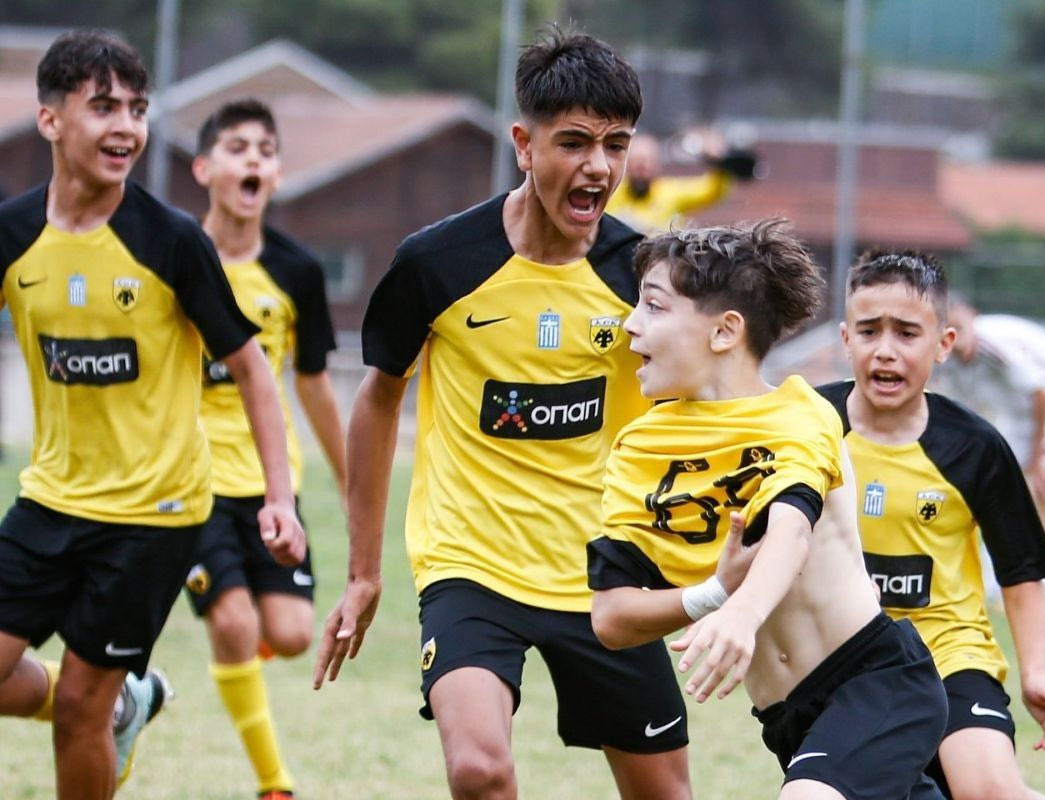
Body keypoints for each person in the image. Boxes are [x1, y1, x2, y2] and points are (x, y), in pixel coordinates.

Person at [313, 27, 693, 799]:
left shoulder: (645, 276)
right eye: (575, 143)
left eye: (616, 145)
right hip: (471, 566)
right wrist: (363, 571)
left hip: (603, 573)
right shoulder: (436, 264)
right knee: (478, 770)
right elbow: (379, 395)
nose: (599, 167)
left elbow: (696, 408)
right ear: (524, 144)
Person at [0, 31, 304, 798]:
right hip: (50, 499)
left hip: (153, 515)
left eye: (137, 109)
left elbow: (251, 367)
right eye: (103, 107)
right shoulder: (13, 235)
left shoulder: (171, 241)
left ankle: (106, 704)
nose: (127, 127)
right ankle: (127, 704)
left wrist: (278, 498)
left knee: (79, 709)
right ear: (49, 119)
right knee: (77, 700)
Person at [589, 221, 948, 800]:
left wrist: (743, 611)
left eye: (653, 306)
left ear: (725, 331)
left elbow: (790, 529)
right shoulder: (640, 449)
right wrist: (713, 594)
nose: (630, 323)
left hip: (876, 681)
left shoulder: (800, 414)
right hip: (789, 719)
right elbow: (611, 618)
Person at [817, 251, 1045, 799]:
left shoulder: (975, 446)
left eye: (907, 333)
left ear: (944, 344)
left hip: (952, 655)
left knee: (987, 790)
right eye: (869, 331)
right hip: (844, 659)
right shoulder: (808, 428)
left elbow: (1021, 573)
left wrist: (1034, 673)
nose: (886, 350)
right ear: (845, 339)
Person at [186, 98, 345, 800]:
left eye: (266, 150)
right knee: (233, 621)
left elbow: (312, 383)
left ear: (277, 175)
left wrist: (351, 479)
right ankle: (273, 783)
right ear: (203, 168)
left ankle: (239, 648)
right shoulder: (174, 255)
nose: (253, 159)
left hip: (269, 481)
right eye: (237, 147)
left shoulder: (297, 270)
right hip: (189, 482)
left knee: (292, 633)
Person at [942, 298, 1045, 620]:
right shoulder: (945, 357)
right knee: (998, 490)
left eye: (959, 327)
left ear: (971, 318)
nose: (956, 337)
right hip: (1019, 409)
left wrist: (1039, 457)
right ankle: (993, 584)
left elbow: (1042, 393)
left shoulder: (994, 345)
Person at [605, 130, 752, 233]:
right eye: (636, 162)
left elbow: (712, 190)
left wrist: (719, 161)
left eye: (647, 162)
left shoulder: (670, 193)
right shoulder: (610, 194)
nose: (641, 169)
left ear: (657, 165)